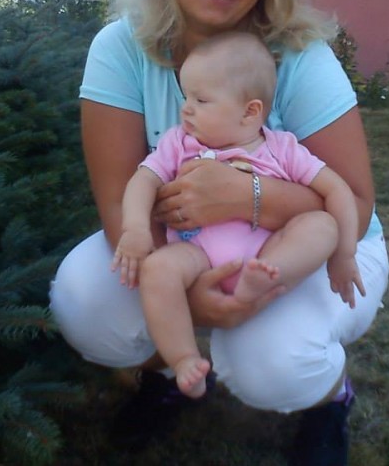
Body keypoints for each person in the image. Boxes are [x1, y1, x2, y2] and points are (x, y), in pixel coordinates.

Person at [49, 0, 389, 464]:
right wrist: (183, 293)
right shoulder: (121, 49)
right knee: (86, 301)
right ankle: (171, 372)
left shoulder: (298, 56)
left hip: (317, 247)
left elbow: (354, 204)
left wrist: (245, 197)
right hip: (186, 246)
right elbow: (121, 199)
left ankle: (328, 397)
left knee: (268, 364)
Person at [112, 31, 364, 400]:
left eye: (201, 100)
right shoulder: (178, 143)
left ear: (250, 112)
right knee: (157, 270)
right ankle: (184, 359)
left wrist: (344, 255)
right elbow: (143, 180)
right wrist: (135, 229)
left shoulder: (281, 149)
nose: (186, 109)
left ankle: (263, 277)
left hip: (267, 253)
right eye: (186, 97)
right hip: (195, 254)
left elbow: (338, 190)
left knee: (322, 225)